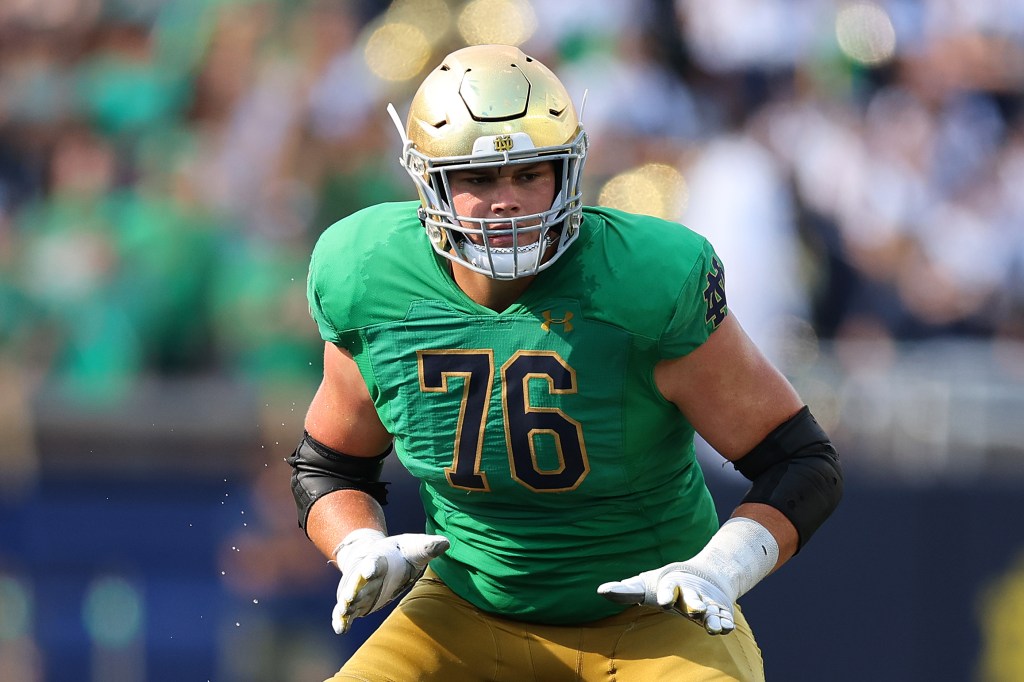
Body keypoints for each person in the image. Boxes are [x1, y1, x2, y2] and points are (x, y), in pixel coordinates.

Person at [288, 44, 842, 682]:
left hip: (651, 621)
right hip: (464, 610)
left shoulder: (642, 283)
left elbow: (802, 464)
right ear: (430, 181)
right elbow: (328, 466)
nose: (507, 202)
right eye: (479, 177)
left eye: (529, 173)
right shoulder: (371, 275)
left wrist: (717, 570)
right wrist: (358, 546)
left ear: (568, 172)